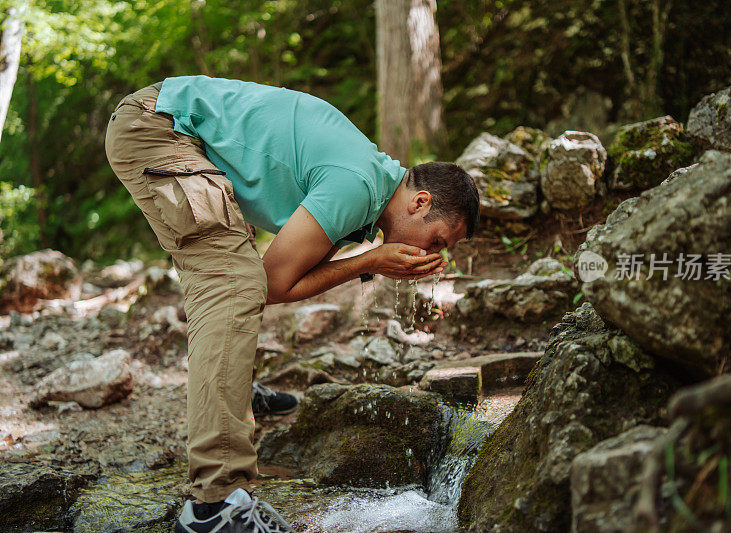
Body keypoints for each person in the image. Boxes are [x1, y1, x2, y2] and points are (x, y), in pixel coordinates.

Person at [104, 75, 480, 533]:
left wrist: (370, 259)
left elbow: (282, 285)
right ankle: (214, 504)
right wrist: (372, 262)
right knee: (233, 279)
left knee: (234, 275)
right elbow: (273, 281)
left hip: (171, 128)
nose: (431, 254)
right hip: (160, 127)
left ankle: (233, 393)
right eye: (437, 240)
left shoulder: (365, 196)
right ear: (420, 203)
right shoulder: (357, 184)